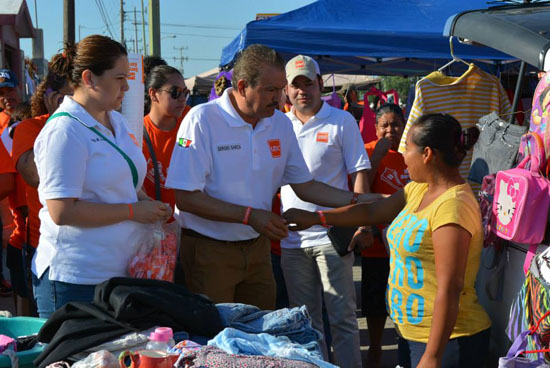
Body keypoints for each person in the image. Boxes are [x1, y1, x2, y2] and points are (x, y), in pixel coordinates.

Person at [165, 44, 379, 311]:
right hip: (209, 251)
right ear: (242, 86)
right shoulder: (202, 120)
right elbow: (185, 198)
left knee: (261, 336)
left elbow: (306, 186)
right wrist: (249, 215)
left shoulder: (279, 123)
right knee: (216, 341)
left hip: (257, 249)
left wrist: (360, 199)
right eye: (271, 90)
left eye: (280, 89)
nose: (280, 98)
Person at [284, 113, 491, 368]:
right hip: (414, 336)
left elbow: (450, 287)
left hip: (448, 343)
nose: (403, 156)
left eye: (407, 149)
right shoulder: (419, 189)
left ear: (426, 154)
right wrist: (316, 217)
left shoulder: (453, 207)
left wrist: (433, 355)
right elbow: (372, 211)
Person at [31, 35, 171, 318]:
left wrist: (147, 205)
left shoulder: (116, 121)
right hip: (76, 278)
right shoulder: (65, 131)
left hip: (118, 274)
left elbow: (125, 180)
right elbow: (61, 211)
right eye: (119, 78)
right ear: (89, 78)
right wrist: (133, 211)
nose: (127, 87)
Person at [281, 55, 370, 368]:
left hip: (333, 236)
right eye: (296, 85)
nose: (303, 91)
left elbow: (359, 170)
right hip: (291, 241)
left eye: (309, 83)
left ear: (320, 84)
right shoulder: (278, 124)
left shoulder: (341, 120)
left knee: (343, 317)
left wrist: (362, 224)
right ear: (287, 90)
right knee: (306, 322)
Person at [10, 53, 74, 315]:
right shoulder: (29, 128)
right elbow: (35, 175)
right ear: (52, 96)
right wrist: (55, 119)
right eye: (68, 96)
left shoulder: (99, 126)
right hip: (44, 243)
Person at [361, 103, 409, 367]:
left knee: (403, 297)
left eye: (396, 124)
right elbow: (360, 190)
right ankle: (376, 347)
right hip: (377, 244)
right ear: (376, 127)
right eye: (385, 125)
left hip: (407, 244)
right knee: (375, 302)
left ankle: (405, 346)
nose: (391, 130)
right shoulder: (367, 150)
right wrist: (377, 158)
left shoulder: (412, 151)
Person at [143, 65, 190, 213]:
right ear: (153, 94)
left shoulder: (192, 120)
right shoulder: (135, 132)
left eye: (185, 93)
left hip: (189, 226)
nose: (182, 99)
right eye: (175, 92)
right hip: (152, 225)